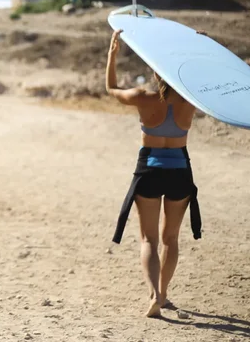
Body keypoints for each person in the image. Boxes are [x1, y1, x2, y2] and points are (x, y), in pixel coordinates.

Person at [105, 29, 202, 318]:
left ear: (156, 75)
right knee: (170, 238)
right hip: (179, 170)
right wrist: (197, 48)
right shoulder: (190, 101)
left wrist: (112, 55)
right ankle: (164, 292)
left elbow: (111, 88)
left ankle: (155, 295)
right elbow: (207, 80)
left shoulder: (142, 97)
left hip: (149, 169)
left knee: (148, 239)